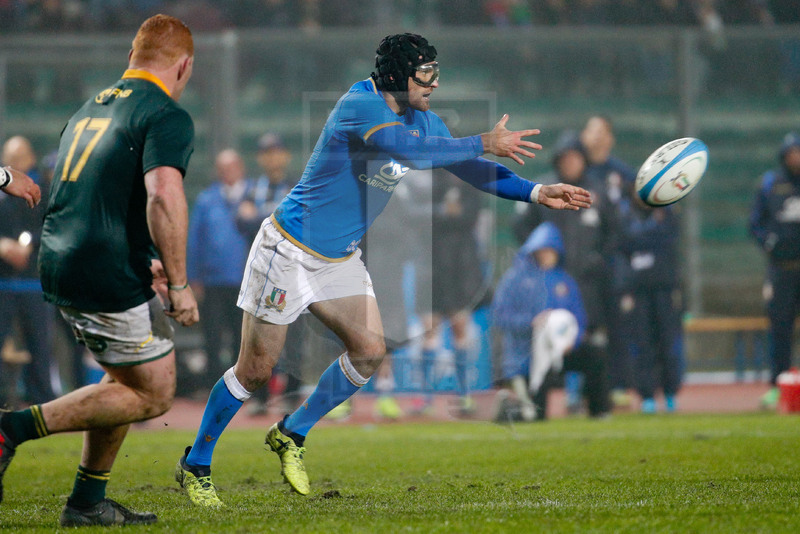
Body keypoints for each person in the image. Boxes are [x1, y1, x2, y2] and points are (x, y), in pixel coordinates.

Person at [174, 32, 591, 507]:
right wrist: (482, 140)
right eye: (425, 73)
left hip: (340, 258)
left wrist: (537, 192)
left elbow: (469, 168)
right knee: (254, 370)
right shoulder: (361, 106)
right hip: (287, 250)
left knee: (370, 351)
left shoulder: (420, 118)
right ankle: (196, 465)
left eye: (436, 71)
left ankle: (292, 433)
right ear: (396, 75)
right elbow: (411, 154)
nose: (433, 82)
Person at [0, 15, 197, 527]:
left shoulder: (90, 107)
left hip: (65, 259)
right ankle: (11, 430)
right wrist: (177, 281)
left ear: (134, 56)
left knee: (120, 384)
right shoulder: (165, 113)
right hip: (99, 269)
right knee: (153, 392)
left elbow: (95, 198)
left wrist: (140, 256)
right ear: (184, 65)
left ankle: (87, 502)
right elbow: (163, 194)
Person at [512, 131, 615, 414]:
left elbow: (614, 231)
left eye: (575, 158)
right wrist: (538, 255)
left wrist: (598, 258)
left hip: (588, 282)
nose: (570, 164)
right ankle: (538, 405)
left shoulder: (598, 193)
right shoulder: (545, 189)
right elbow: (520, 225)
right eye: (565, 159)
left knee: (589, 339)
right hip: (550, 281)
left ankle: (586, 400)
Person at [493, 222, 609, 422]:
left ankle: (599, 411)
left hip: (562, 351)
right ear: (533, 251)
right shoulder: (514, 280)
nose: (546, 256)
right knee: (535, 417)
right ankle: (513, 408)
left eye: (551, 251)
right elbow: (500, 316)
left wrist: (573, 340)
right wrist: (531, 323)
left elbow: (579, 319)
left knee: (595, 354)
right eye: (542, 251)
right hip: (529, 354)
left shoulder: (565, 281)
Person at [579, 115, 637, 408]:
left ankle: (618, 386)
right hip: (583, 264)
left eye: (603, 131)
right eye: (592, 130)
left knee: (617, 326)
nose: (597, 136)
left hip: (614, 262)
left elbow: (638, 211)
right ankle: (580, 391)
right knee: (584, 325)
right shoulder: (577, 170)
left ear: (611, 138)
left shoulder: (623, 174)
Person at [613, 187, 684, 413]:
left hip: (664, 290)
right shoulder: (624, 214)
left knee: (667, 342)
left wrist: (641, 238)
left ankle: (670, 393)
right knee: (641, 343)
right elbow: (624, 242)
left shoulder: (668, 212)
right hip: (637, 292)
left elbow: (667, 239)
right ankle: (646, 395)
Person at [0, 136, 58, 408]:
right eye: (9, 157)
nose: (14, 163)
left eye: (20, 157)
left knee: (40, 348)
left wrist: (28, 243)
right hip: (3, 282)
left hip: (34, 282)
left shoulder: (42, 189)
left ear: (31, 157)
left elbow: (55, 225)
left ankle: (42, 404)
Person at [187, 148, 251, 391]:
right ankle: (212, 386)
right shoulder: (207, 199)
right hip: (213, 280)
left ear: (241, 167)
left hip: (244, 281)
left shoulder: (253, 195)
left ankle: (240, 386)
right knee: (212, 336)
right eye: (223, 168)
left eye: (232, 167)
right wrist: (195, 278)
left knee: (241, 336)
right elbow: (195, 240)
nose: (228, 173)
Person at [749, 132, 800, 409]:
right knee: (779, 330)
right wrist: (769, 242)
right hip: (781, 270)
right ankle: (778, 387)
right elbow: (754, 223)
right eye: (791, 152)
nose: (795, 157)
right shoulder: (770, 183)